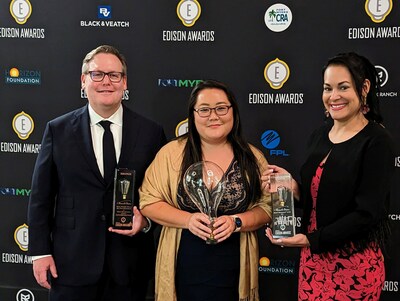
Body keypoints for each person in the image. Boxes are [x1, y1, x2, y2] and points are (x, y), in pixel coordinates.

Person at [27, 45, 166, 301]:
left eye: (114, 75)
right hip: (69, 263)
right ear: (83, 80)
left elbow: (161, 195)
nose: (106, 82)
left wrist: (146, 223)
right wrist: (39, 251)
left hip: (129, 266)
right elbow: (40, 197)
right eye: (97, 74)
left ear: (124, 82)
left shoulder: (151, 133)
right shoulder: (57, 130)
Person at [264, 52, 395, 300]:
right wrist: (293, 188)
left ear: (364, 87)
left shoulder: (377, 141)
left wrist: (310, 240)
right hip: (313, 262)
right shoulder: (320, 135)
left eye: (343, 87)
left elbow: (367, 213)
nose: (333, 96)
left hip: (353, 266)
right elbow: (322, 196)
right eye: (327, 88)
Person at [139, 79, 272, 301]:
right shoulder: (171, 154)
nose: (214, 116)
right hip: (183, 269)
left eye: (221, 108)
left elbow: (268, 206)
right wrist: (188, 220)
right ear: (192, 115)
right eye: (204, 109)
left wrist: (237, 222)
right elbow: (148, 201)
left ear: (233, 112)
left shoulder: (253, 157)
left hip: (234, 270)